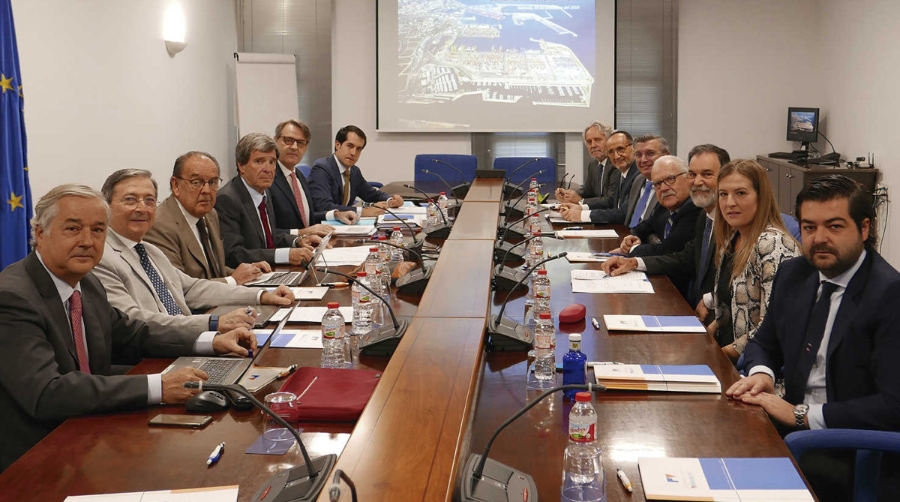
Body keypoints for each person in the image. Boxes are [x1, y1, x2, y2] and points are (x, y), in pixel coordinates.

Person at [0, 184, 256, 471]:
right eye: (72, 229)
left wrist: (212, 341)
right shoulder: (13, 297)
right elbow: (48, 392)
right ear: (39, 234)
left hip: (91, 430)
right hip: (35, 457)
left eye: (97, 230)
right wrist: (158, 386)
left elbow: (133, 333)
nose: (87, 241)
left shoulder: (86, 282)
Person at [726, 175, 900, 502]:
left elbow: (893, 405)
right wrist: (761, 375)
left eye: (834, 227)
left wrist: (801, 416)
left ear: (864, 229)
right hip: (786, 418)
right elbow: (764, 342)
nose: (819, 238)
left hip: (849, 445)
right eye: (809, 227)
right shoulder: (796, 274)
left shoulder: (889, 296)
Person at [93, 169, 296, 337]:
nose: (142, 208)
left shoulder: (148, 250)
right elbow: (134, 320)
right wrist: (214, 323)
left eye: (149, 200)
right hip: (154, 356)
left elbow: (191, 288)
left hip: (188, 339)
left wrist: (261, 296)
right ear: (106, 206)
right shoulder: (101, 257)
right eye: (130, 200)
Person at [707, 159, 800, 362]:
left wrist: (721, 355)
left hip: (755, 366)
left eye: (740, 193)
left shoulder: (775, 244)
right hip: (727, 355)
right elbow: (726, 308)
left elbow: (772, 324)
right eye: (723, 194)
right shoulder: (732, 238)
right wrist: (706, 336)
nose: (730, 202)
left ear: (761, 197)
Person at [144, 151, 270, 285]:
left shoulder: (210, 214)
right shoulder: (159, 225)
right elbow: (177, 287)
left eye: (213, 182)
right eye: (196, 182)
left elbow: (212, 270)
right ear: (175, 185)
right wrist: (233, 280)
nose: (206, 190)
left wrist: (246, 272)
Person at [215, 133, 317, 268]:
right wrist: (286, 255)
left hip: (270, 273)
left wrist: (298, 241)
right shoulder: (227, 199)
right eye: (259, 161)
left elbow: (267, 237)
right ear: (241, 166)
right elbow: (234, 254)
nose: (268, 169)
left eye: (272, 162)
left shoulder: (264, 191)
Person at [270, 119, 358, 233]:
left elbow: (306, 219)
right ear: (275, 141)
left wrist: (336, 215)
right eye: (288, 140)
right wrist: (302, 233)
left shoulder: (299, 177)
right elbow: (265, 232)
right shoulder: (268, 178)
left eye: (301, 143)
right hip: (288, 248)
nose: (294, 147)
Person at [613, 155, 700, 257]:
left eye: (670, 179)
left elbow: (668, 250)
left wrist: (633, 249)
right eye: (657, 183)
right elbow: (641, 228)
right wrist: (632, 238)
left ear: (688, 178)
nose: (663, 188)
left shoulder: (694, 208)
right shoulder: (663, 207)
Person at [308, 125, 403, 217]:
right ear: (338, 145)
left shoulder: (354, 171)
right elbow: (324, 207)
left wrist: (390, 200)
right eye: (350, 146)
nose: (354, 153)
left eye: (358, 149)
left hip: (344, 224)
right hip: (322, 227)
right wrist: (363, 212)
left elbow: (371, 194)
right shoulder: (322, 169)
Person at [557, 131, 640, 224]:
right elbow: (612, 203)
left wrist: (582, 214)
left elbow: (622, 213)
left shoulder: (638, 176)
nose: (616, 156)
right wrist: (580, 207)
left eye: (620, 149)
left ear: (633, 148)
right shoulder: (621, 172)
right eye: (611, 152)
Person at [555, 121, 617, 205]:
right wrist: (568, 195)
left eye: (597, 140)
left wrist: (581, 201)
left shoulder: (616, 164)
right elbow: (587, 191)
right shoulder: (593, 165)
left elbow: (610, 201)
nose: (593, 145)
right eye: (589, 142)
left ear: (609, 141)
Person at [622, 134, 669, 228]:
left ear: (666, 155)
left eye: (650, 153)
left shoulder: (670, 186)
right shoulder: (638, 180)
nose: (643, 160)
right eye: (638, 155)